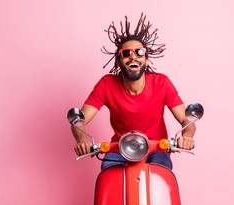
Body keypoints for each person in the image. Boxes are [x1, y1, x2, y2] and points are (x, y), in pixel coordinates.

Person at [72, 13, 196, 170]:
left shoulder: (162, 83)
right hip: (119, 149)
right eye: (126, 53)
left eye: (139, 52)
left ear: (146, 59)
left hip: (156, 149)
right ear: (118, 61)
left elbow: (186, 119)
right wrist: (82, 139)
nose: (133, 57)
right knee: (108, 174)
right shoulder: (106, 84)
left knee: (161, 174)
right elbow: (79, 120)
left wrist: (187, 137)